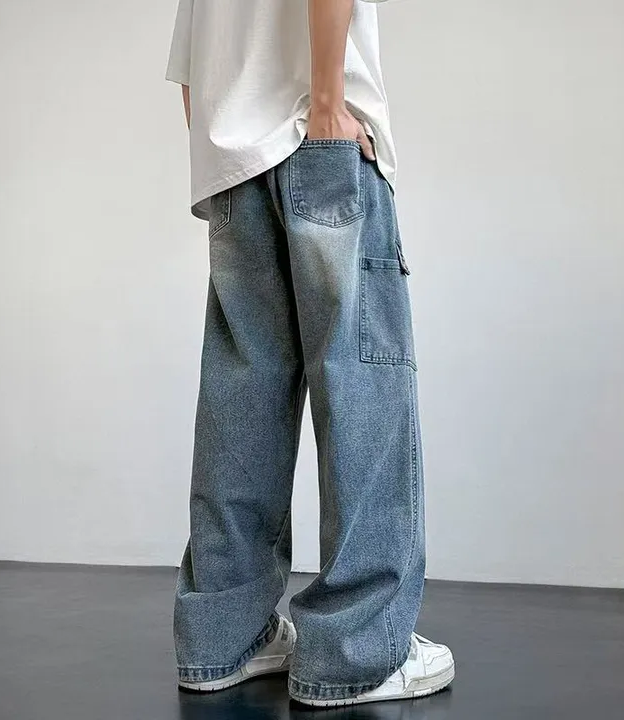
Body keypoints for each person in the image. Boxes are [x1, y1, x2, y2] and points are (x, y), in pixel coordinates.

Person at [165, 0, 455, 707]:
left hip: (232, 164)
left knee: (243, 396)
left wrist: (222, 151)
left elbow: (189, 68)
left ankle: (222, 638)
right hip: (316, 140)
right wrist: (327, 105)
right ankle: (358, 653)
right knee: (361, 387)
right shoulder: (321, 120)